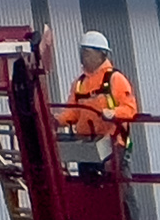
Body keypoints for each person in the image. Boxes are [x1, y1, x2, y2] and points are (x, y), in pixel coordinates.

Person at [57, 33, 138, 178]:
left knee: (121, 192)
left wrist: (113, 113)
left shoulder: (115, 79)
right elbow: (73, 112)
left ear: (102, 54)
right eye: (82, 52)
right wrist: (57, 120)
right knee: (88, 192)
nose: (83, 57)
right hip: (87, 146)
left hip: (113, 145)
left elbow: (130, 109)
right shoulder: (79, 84)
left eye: (87, 53)